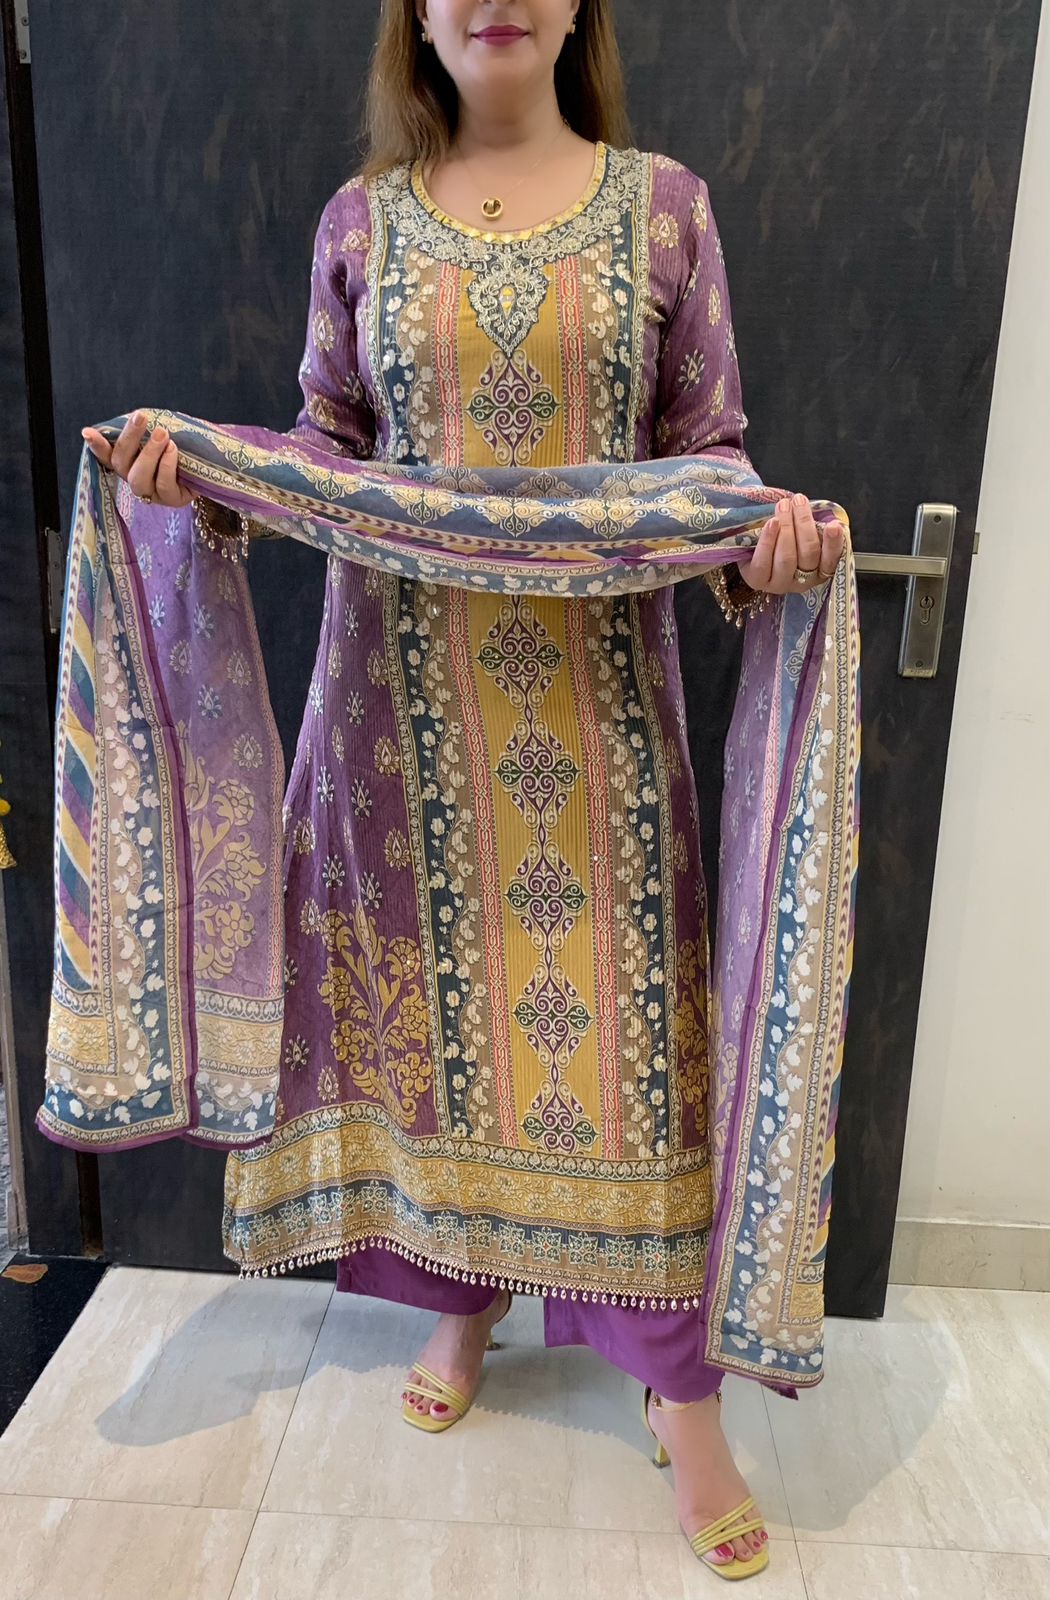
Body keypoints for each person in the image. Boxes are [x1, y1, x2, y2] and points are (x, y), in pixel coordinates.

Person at [81, 1, 845, 1580]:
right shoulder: (359, 224)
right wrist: (209, 485)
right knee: (421, 1031)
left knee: (621, 1046)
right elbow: (327, 445)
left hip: (595, 730)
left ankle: (679, 1395)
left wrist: (758, 554)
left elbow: (705, 454)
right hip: (392, 722)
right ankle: (460, 1305)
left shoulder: (667, 209)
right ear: (416, 15)